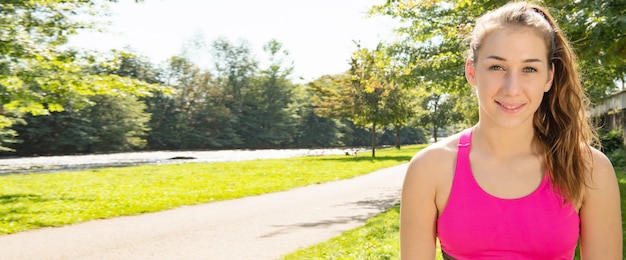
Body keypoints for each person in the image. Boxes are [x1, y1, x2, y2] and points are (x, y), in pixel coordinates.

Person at [400, 2, 622, 259]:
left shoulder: (588, 168)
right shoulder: (429, 168)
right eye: (497, 67)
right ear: (471, 71)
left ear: (549, 77)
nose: (512, 88)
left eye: (529, 69)